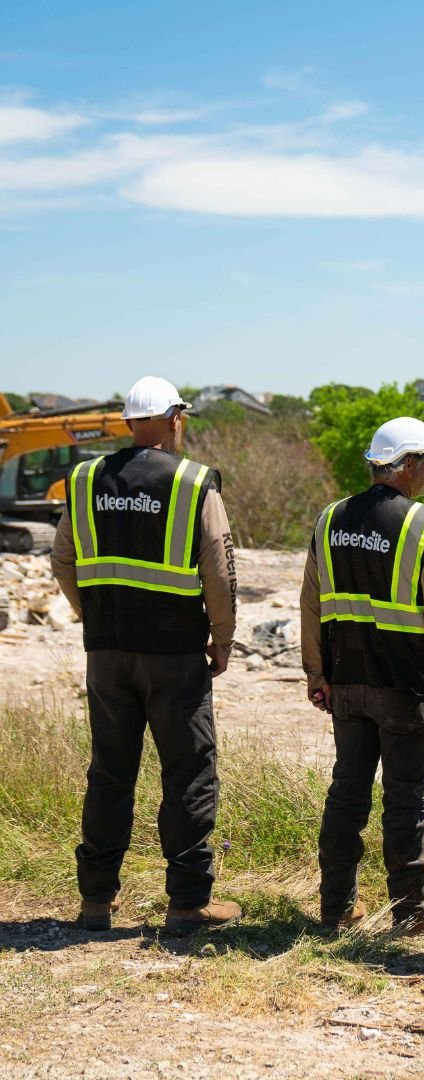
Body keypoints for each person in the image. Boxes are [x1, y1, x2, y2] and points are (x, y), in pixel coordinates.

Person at [51, 375, 239, 934]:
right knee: (188, 774)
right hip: (174, 655)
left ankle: (95, 903)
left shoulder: (84, 480)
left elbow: (62, 560)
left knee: (109, 773)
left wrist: (94, 615)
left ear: (131, 422)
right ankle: (186, 905)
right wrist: (221, 640)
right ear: (175, 420)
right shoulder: (192, 482)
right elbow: (221, 574)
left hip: (106, 652)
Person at [300, 416, 424, 934]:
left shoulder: (330, 520)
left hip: (346, 684)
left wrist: (315, 672)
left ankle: (336, 908)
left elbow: (310, 602)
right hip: (404, 687)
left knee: (347, 793)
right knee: (406, 801)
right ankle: (411, 914)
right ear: (408, 464)